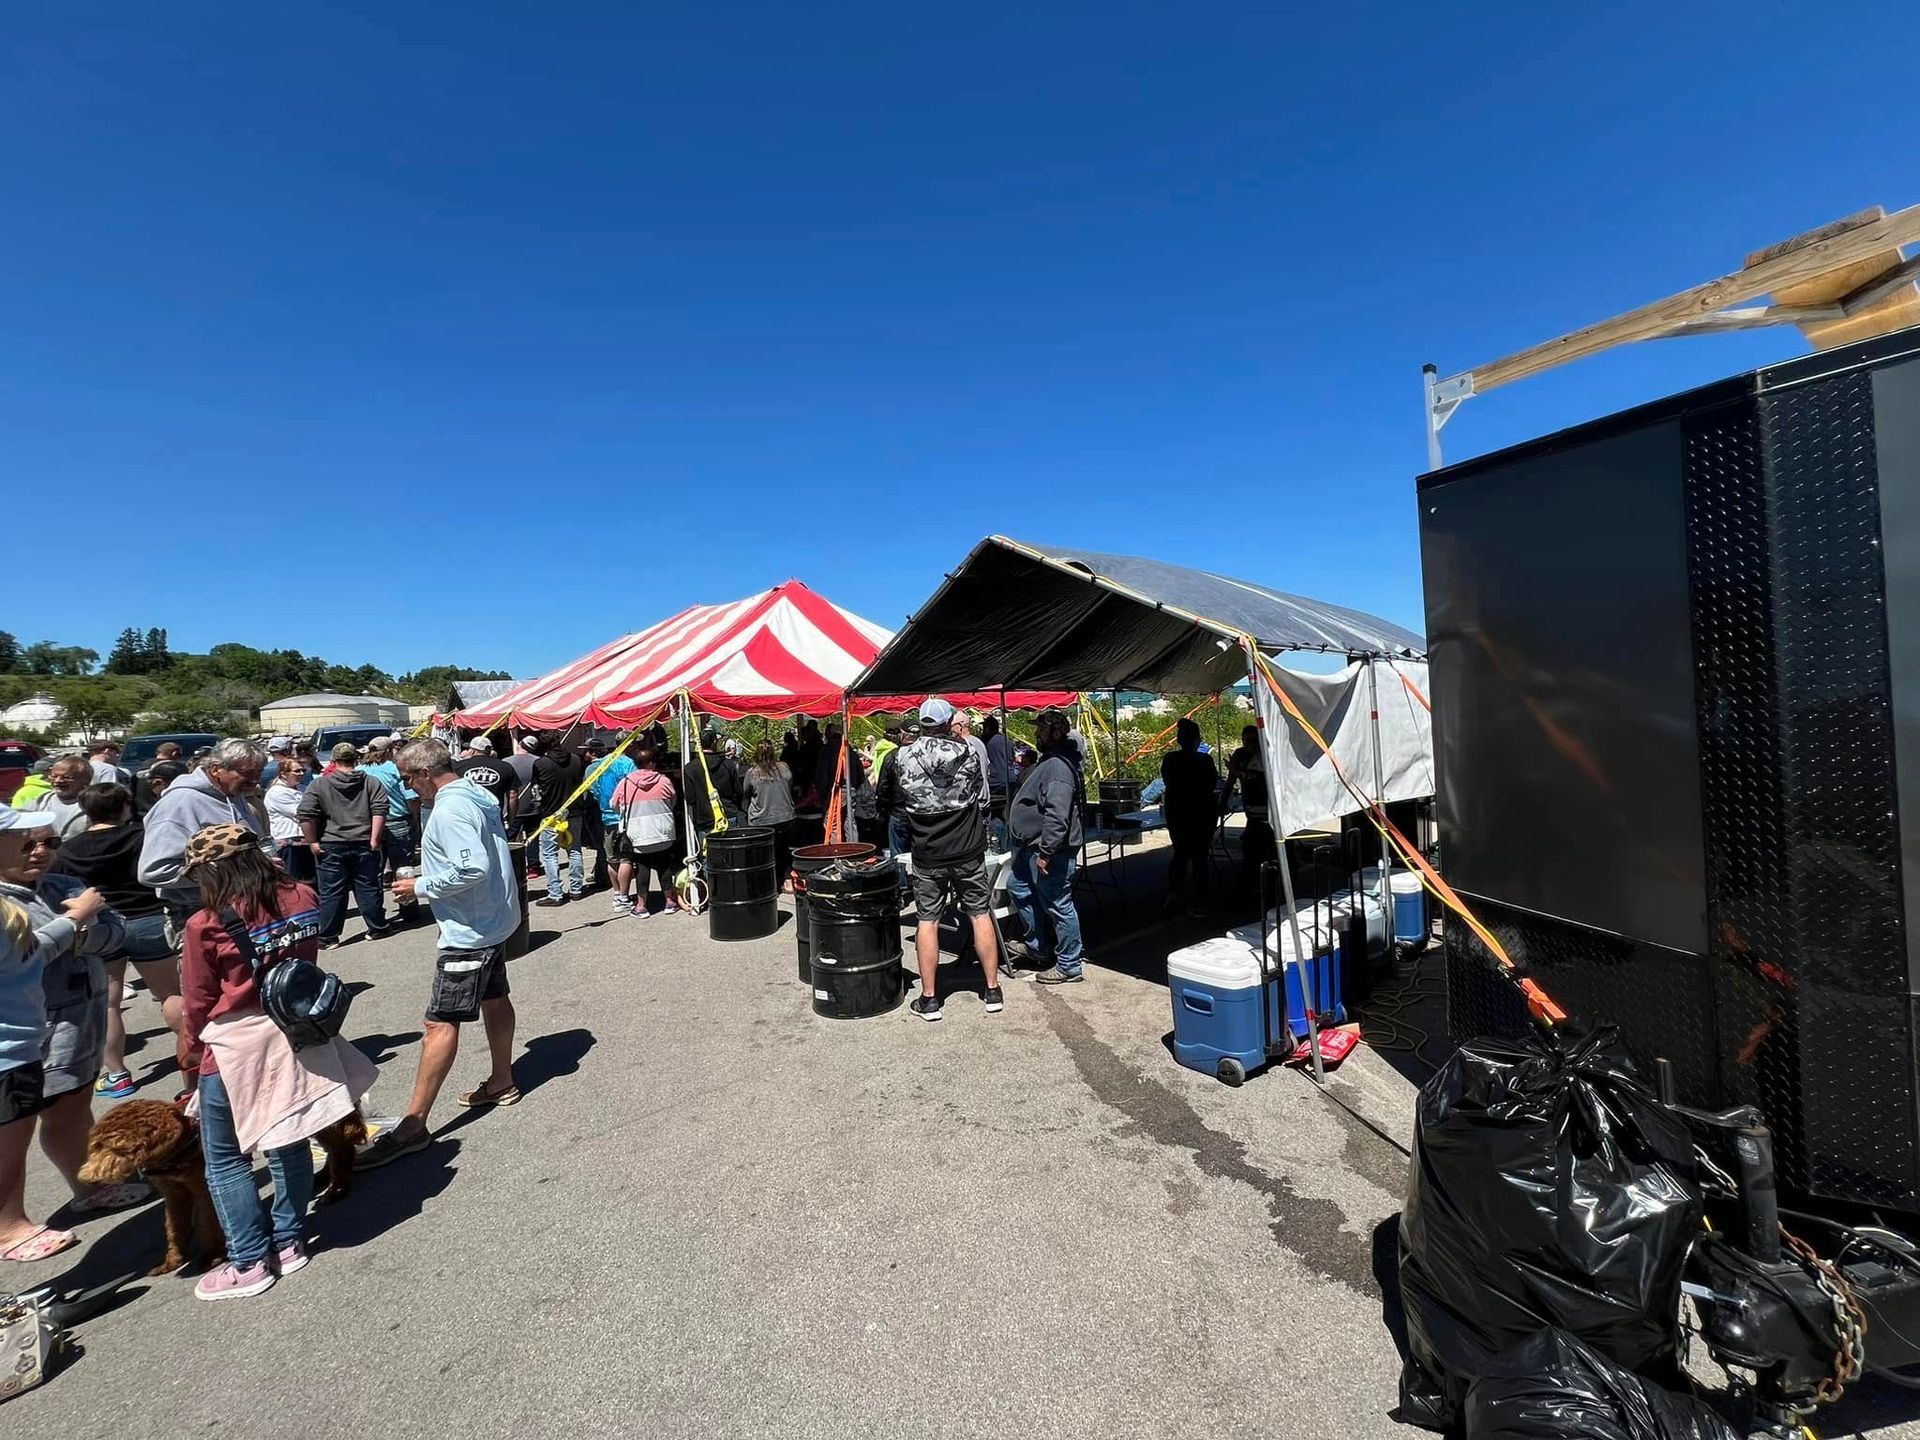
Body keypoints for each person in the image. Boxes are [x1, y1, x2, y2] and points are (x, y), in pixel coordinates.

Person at [175, 824, 372, 1300]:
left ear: (213, 870)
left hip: (236, 1042)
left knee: (226, 1158)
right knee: (286, 1139)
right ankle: (288, 1239)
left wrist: (190, 1054)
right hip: (294, 1030)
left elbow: (199, 1000)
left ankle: (248, 1260)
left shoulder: (207, 921)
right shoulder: (302, 895)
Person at [356, 740, 519, 1170]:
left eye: (409, 779)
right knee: (494, 997)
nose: (410, 790)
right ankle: (501, 1080)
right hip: (492, 919)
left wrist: (420, 886)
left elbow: (473, 867)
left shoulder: (449, 809)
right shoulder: (476, 794)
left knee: (440, 1022)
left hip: (469, 931)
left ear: (426, 773)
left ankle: (414, 1125)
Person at [0, 804, 142, 1264]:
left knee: (72, 1105)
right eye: (27, 844)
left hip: (79, 1014)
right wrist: (79, 923)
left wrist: (79, 930)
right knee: (16, 1128)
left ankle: (91, 1186)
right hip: (29, 1026)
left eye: (49, 843)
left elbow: (115, 933)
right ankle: (9, 1224)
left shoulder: (63, 886)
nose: (41, 852)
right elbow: (29, 953)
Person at [46, 783, 185, 1098]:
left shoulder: (69, 849)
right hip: (148, 919)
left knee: (109, 1003)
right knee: (170, 995)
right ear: (125, 806)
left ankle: (118, 1075)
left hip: (102, 926)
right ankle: (191, 1056)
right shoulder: (142, 836)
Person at [875, 698, 1002, 1021]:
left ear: (922, 724)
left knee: (927, 919)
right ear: (948, 724)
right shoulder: (968, 752)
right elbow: (975, 790)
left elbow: (897, 794)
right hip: (967, 846)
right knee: (979, 914)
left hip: (928, 848)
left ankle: (930, 998)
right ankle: (991, 989)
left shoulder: (902, 756)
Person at [139, 737, 271, 924]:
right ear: (216, 769)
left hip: (242, 907)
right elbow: (153, 871)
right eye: (247, 773)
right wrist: (228, 875)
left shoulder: (233, 795)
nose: (255, 780)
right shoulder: (179, 804)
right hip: (200, 915)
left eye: (259, 772)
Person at [1006, 708, 1088, 985]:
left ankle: (1069, 964)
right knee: (1018, 886)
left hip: (1049, 849)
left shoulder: (1057, 767)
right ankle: (1038, 947)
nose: (1036, 735)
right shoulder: (1051, 761)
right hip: (1032, 846)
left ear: (1055, 733)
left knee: (1058, 903)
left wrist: (1046, 851)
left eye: (1041, 730)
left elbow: (1057, 813)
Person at [297, 743, 390, 946]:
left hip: (331, 844)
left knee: (332, 892)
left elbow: (305, 814)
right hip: (364, 842)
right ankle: (377, 927)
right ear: (356, 759)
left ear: (333, 761)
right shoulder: (370, 782)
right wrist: (374, 839)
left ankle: (328, 937)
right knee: (368, 887)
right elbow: (380, 810)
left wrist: (312, 841)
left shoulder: (320, 785)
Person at [1160, 718, 1220, 918]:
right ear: (1197, 740)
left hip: (1177, 814)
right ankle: (1200, 901)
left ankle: (1174, 893)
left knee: (1180, 854)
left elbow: (1168, 782)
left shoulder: (1170, 759)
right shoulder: (1205, 760)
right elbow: (1213, 784)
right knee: (1200, 857)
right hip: (1202, 814)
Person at [611, 747, 679, 917]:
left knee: (643, 867)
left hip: (638, 833)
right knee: (664, 866)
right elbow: (673, 801)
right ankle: (670, 901)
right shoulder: (664, 781)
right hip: (663, 831)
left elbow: (614, 805)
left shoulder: (626, 783)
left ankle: (641, 906)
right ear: (652, 763)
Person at [529, 735, 588, 907]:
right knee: (575, 849)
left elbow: (536, 791)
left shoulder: (540, 764)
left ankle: (555, 893)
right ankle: (576, 888)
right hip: (574, 810)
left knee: (549, 853)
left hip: (551, 813)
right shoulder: (576, 759)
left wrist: (537, 807)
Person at [1223, 724, 1277, 898]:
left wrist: (1238, 771)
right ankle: (1251, 890)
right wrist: (1222, 801)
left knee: (1267, 853)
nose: (1248, 743)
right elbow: (1231, 780)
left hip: (1269, 815)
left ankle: (1269, 890)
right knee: (1250, 854)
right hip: (1252, 814)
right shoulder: (1240, 755)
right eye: (1245, 740)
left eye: (1253, 740)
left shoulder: (1267, 756)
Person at [360, 737, 418, 877]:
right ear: (388, 751)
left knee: (374, 870)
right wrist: (416, 818)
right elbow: (410, 797)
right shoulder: (396, 769)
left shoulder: (359, 771)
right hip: (398, 820)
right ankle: (405, 896)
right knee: (403, 867)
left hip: (369, 824)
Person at [742, 739, 797, 885]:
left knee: (763, 853)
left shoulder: (752, 772)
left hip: (762, 819)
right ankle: (784, 879)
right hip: (785, 816)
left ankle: (766, 882)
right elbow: (790, 785)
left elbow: (746, 792)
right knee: (783, 850)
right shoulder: (784, 768)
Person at [587, 740, 636, 898]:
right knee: (626, 859)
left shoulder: (602, 763)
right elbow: (634, 786)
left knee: (612, 858)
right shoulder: (628, 763)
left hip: (607, 815)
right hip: (625, 816)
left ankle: (617, 893)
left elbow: (593, 787)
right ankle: (623, 894)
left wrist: (603, 801)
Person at [953, 712, 1000, 849]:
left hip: (975, 804)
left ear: (960, 726)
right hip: (984, 800)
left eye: (951, 725)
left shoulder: (965, 745)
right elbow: (987, 769)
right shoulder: (978, 742)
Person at [264, 757, 313, 882]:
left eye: (302, 770)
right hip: (290, 844)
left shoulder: (302, 789)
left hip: (305, 843)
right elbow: (302, 813)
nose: (301, 773)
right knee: (294, 882)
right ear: (283, 775)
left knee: (311, 882)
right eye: (296, 771)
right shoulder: (277, 792)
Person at [29, 755, 92, 839]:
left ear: (85, 781)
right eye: (54, 776)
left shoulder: (92, 805)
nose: (57, 781)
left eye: (66, 777)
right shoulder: (41, 801)